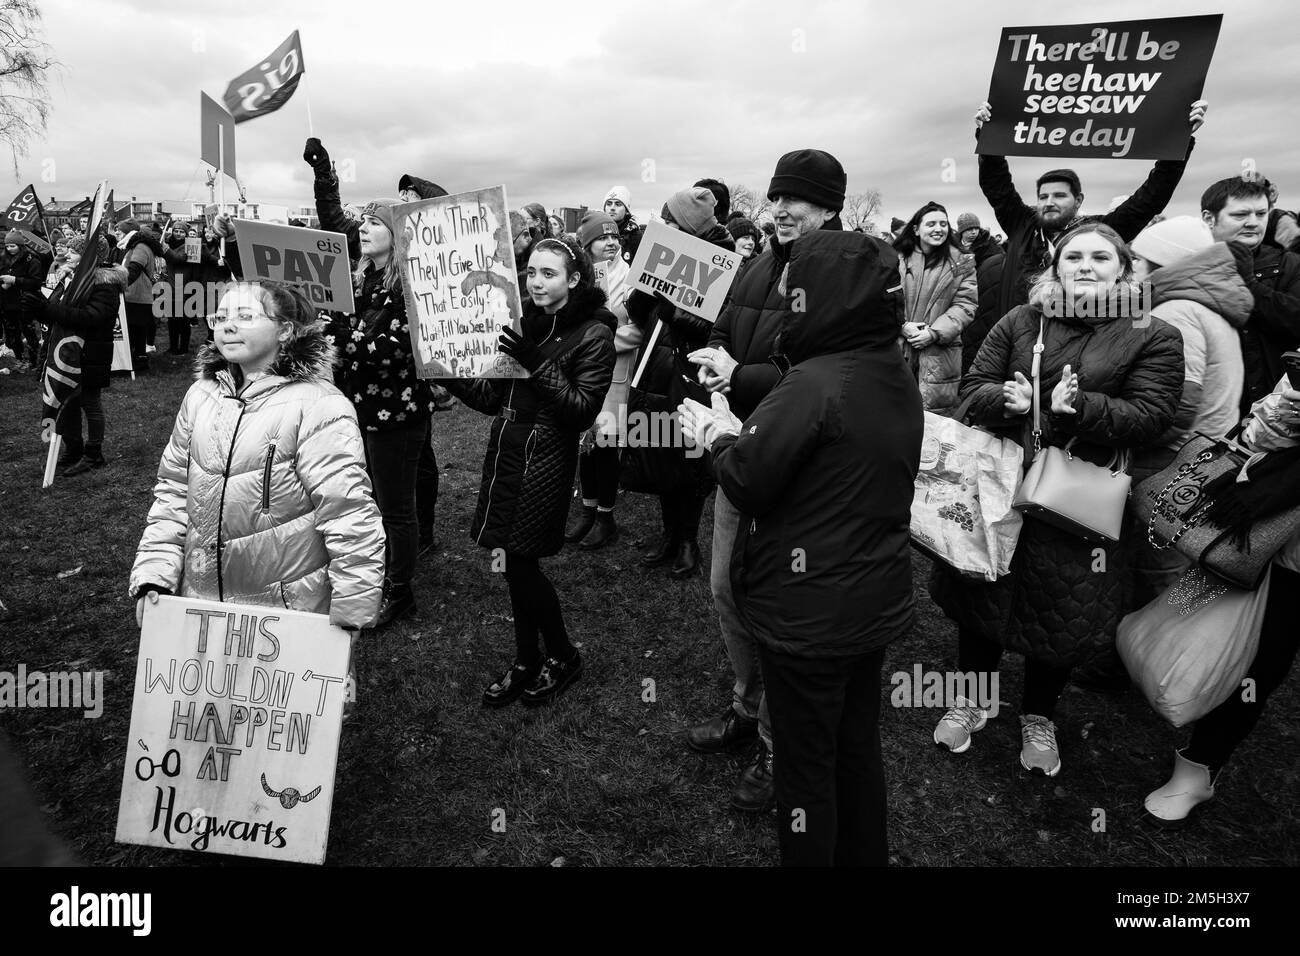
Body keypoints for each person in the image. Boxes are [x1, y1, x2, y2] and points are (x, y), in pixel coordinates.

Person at [681, 224, 921, 866]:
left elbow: (748, 480)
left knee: (805, 766)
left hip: (808, 612)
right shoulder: (888, 369)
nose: (788, 299)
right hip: (868, 600)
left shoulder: (813, 383)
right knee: (854, 747)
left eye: (797, 290)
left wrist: (715, 434)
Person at [929, 222, 1184, 777]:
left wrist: (1082, 409)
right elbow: (973, 388)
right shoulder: (1023, 320)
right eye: (1073, 257)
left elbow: (1155, 417)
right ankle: (970, 699)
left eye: (1099, 256)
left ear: (1123, 267)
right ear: (1055, 266)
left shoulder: (1153, 333)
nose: (1085, 266)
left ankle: (1039, 715)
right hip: (1000, 487)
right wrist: (1011, 402)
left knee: (1061, 608)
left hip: (1078, 498)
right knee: (982, 593)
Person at [684, 148, 852, 813]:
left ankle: (781, 747)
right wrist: (713, 355)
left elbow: (831, 375)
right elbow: (727, 328)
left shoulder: (844, 278)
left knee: (785, 613)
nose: (782, 210)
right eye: (778, 199)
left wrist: (741, 377)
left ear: (831, 207)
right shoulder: (754, 266)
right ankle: (747, 708)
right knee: (728, 590)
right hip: (742, 455)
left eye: (799, 201)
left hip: (806, 473)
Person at [130, 280, 385, 641]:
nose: (227, 325)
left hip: (288, 619)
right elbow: (173, 491)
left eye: (245, 316)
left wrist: (352, 609)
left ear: (284, 330)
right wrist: (156, 573)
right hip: (201, 609)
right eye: (221, 316)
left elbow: (348, 513)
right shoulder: (200, 397)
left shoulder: (318, 406)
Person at [443, 238, 614, 707]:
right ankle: (527, 658)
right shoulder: (525, 325)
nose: (536, 282)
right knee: (514, 561)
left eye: (549, 274)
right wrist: (441, 371)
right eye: (532, 272)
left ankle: (559, 654)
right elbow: (488, 397)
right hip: (507, 451)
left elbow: (580, 410)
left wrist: (537, 363)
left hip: (546, 458)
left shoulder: (594, 333)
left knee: (521, 563)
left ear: (574, 279)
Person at [1144, 376, 1300, 826]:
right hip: (1278, 545)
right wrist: (1285, 417)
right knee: (1259, 660)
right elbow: (1256, 430)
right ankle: (1197, 768)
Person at [305, 136, 436, 627]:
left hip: (398, 412)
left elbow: (394, 351)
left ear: (396, 234)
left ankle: (400, 590)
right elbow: (334, 224)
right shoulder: (365, 279)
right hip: (361, 406)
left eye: (375, 221)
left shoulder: (409, 285)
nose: (364, 226)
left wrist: (340, 335)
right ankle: (378, 571)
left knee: (395, 505)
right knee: (370, 498)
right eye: (366, 220)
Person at [973, 98, 1208, 319]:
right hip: (1023, 338)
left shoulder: (1102, 231)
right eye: (1043, 196)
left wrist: (1179, 140)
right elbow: (997, 186)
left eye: (1059, 195)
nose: (1049, 202)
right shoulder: (1021, 225)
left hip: (1080, 343)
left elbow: (1149, 200)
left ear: (1079, 200)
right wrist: (988, 138)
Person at [1125, 216, 1253, 608]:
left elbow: (1175, 405)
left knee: (1157, 570)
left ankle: (1149, 662)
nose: (1130, 271)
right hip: (1205, 457)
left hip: (1170, 462)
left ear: (1159, 263)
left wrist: (1124, 434)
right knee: (1175, 567)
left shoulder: (1177, 311)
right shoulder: (1207, 306)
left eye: (1137, 260)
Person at [624, 186, 735, 577]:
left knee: (690, 460)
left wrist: (678, 314)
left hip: (692, 377)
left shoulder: (725, 265)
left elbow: (721, 328)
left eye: (670, 220)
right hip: (657, 370)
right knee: (660, 450)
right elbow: (641, 317)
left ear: (687, 227)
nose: (663, 224)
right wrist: (643, 294)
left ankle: (688, 541)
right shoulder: (663, 257)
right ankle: (670, 534)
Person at [1198, 176, 1300, 414]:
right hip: (1209, 413)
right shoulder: (1186, 265)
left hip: (1278, 410)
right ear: (1209, 218)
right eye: (1240, 215)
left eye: (1261, 214)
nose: (1253, 223)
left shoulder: (1290, 264)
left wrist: (1249, 285)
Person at [25, 236, 124, 476]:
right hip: (65, 354)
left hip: (90, 352)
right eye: (67, 250)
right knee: (67, 403)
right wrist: (39, 307)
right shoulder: (70, 278)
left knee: (90, 403)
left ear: (91, 256)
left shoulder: (105, 284)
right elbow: (57, 314)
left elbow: (91, 318)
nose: (67, 255)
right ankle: (73, 447)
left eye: (74, 251)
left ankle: (94, 453)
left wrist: (49, 309)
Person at [566, 210, 633, 550]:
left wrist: (599, 342)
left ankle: (607, 517)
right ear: (587, 245)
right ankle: (587, 512)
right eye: (602, 238)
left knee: (606, 445)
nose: (610, 243)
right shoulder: (579, 279)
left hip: (614, 375)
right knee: (585, 446)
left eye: (614, 237)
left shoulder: (634, 278)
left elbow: (639, 329)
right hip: (582, 373)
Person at [894, 201, 976, 416]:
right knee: (892, 414)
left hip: (939, 352)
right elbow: (882, 297)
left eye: (943, 223)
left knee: (932, 422)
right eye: (931, 224)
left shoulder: (962, 262)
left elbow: (966, 304)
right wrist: (901, 326)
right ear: (916, 229)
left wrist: (933, 333)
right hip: (898, 347)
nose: (938, 229)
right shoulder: (896, 257)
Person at [958, 219, 1007, 374]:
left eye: (975, 228)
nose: (973, 232)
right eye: (969, 229)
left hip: (983, 297)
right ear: (961, 231)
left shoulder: (990, 248)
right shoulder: (955, 249)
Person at [115, 220, 165, 371]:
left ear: (129, 233)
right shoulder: (135, 246)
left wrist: (121, 285)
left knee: (137, 330)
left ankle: (139, 360)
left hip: (137, 295)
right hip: (134, 294)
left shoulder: (141, 247)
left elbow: (134, 269)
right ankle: (137, 359)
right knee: (136, 330)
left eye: (120, 231)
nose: (117, 233)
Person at [0, 229, 46, 371]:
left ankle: (33, 361)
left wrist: (15, 280)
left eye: (12, 246)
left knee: (29, 332)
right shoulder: (3, 258)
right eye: (7, 246)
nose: (9, 249)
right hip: (7, 302)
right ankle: (19, 358)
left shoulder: (31, 259)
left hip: (25, 302)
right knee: (12, 334)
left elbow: (36, 282)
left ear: (20, 246)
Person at [603, 185, 643, 264]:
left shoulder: (635, 235)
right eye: (609, 204)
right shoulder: (597, 232)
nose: (612, 208)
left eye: (618, 204)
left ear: (627, 210)